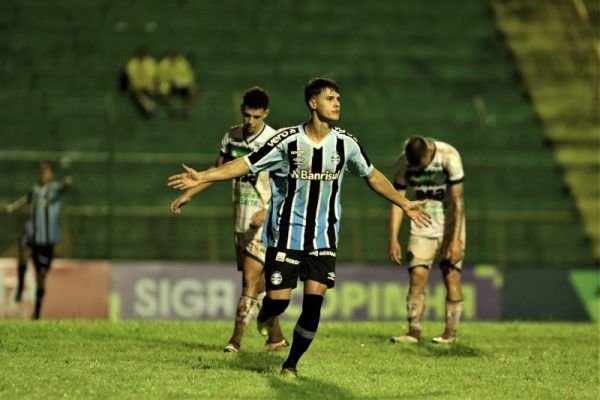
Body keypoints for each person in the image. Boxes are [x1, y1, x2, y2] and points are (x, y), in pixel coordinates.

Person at [168, 77, 432, 378]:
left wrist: (403, 202)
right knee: (278, 301)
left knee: (313, 304)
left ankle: (290, 364)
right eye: (330, 98)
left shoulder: (346, 143)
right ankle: (266, 317)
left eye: (338, 99)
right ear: (313, 103)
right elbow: (246, 164)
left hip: (323, 237)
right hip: (286, 235)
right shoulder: (287, 142)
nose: (337, 103)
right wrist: (203, 176)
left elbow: (372, 175)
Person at [169, 87, 288, 353]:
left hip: (264, 224)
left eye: (256, 116)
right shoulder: (232, 137)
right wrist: (190, 194)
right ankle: (276, 339)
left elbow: (288, 185)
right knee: (260, 285)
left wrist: (267, 211)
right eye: (247, 115)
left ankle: (234, 342)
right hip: (240, 221)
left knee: (249, 281)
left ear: (265, 114)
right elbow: (217, 171)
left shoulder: (276, 141)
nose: (250, 121)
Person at [388, 136, 466, 344]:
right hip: (422, 224)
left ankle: (450, 334)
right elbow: (398, 200)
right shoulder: (404, 161)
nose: (418, 170)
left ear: (428, 155)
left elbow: (458, 201)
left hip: (450, 223)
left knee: (451, 275)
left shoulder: (448, 156)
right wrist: (393, 238)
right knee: (417, 276)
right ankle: (413, 332)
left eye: (421, 166)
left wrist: (455, 239)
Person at [3, 161, 72, 319]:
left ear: (51, 174)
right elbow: (25, 200)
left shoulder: (54, 189)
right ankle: (20, 286)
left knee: (41, 277)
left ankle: (37, 313)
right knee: (22, 246)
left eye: (46, 171)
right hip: (32, 233)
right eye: (42, 171)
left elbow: (63, 187)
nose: (43, 174)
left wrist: (67, 182)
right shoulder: (35, 190)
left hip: (46, 241)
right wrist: (12, 208)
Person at [157, 50, 196, 118]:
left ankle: (185, 110)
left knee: (192, 91)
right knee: (164, 91)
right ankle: (171, 109)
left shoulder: (183, 63)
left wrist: (182, 82)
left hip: (181, 83)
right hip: (167, 83)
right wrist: (170, 81)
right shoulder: (163, 64)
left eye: (175, 56)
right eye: (172, 56)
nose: (173, 58)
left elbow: (189, 76)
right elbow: (160, 76)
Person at [125, 46, 157, 118]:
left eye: (142, 55)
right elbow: (131, 76)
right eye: (139, 55)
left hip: (148, 86)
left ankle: (149, 108)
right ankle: (149, 108)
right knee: (140, 96)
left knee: (143, 96)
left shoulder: (150, 62)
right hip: (137, 87)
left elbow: (153, 75)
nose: (141, 56)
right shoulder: (132, 64)